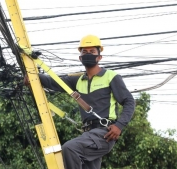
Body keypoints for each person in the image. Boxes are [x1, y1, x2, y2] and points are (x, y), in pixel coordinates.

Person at [24, 35, 135, 169]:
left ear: (99, 57)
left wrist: (119, 126)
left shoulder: (110, 76)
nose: (88, 54)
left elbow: (129, 101)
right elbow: (53, 82)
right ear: (80, 58)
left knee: (70, 149)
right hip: (88, 134)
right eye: (85, 52)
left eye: (92, 52)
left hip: (104, 132)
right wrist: (32, 77)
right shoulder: (77, 80)